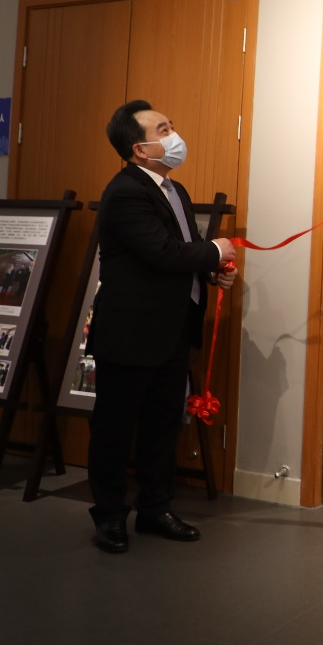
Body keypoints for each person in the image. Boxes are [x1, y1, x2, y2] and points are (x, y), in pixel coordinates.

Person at [86, 99, 237, 555]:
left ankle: (155, 509)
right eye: (163, 130)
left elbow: (183, 248)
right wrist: (216, 250)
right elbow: (163, 253)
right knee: (115, 429)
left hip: (172, 329)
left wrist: (212, 270)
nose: (174, 136)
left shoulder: (175, 189)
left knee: (162, 426)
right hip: (130, 332)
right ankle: (110, 517)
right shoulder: (125, 192)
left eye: (172, 126)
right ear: (139, 149)